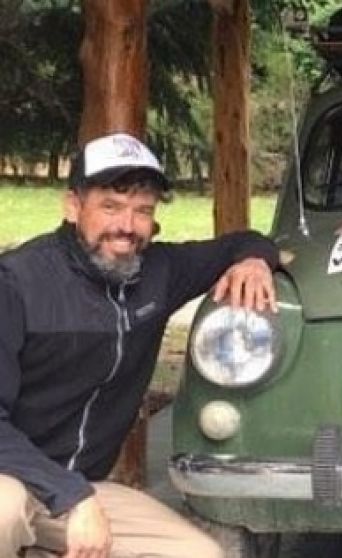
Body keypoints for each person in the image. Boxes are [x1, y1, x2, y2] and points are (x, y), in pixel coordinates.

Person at [0, 132, 280, 557]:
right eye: (110, 206)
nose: (126, 227)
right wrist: (70, 495)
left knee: (201, 555)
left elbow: (244, 241)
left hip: (83, 489)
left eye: (142, 211)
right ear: (73, 206)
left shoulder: (158, 272)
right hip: (14, 479)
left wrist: (255, 261)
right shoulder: (17, 283)